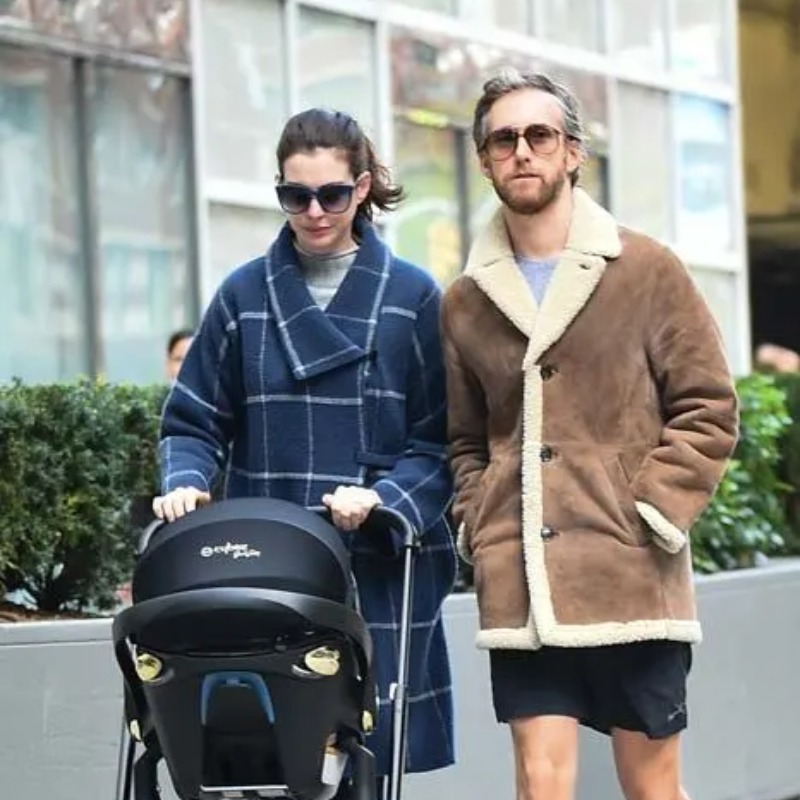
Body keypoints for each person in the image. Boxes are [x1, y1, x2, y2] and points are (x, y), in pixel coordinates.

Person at [440, 70, 739, 800]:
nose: (522, 152)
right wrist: (480, 525)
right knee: (539, 785)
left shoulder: (646, 269)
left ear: (573, 152)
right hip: (525, 586)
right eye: (503, 139)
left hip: (631, 573)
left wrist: (653, 513)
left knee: (652, 788)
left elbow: (708, 406)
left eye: (539, 135)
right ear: (484, 160)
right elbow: (465, 439)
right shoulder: (465, 301)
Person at [152, 108, 456, 791]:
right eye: (296, 196)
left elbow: (439, 443)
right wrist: (187, 481)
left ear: (365, 186)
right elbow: (194, 420)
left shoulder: (413, 297)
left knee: (360, 762)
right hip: (268, 564)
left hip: (371, 557)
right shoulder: (242, 295)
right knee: (256, 759)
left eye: (333, 195)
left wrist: (383, 499)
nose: (314, 212)